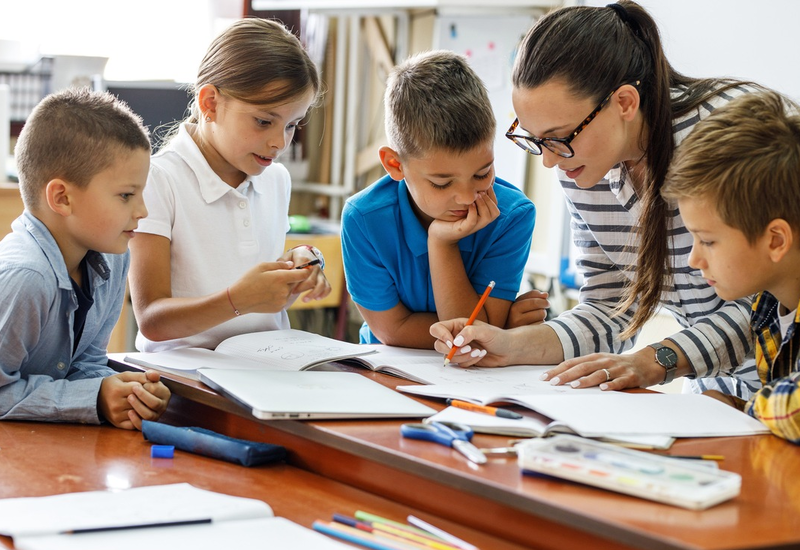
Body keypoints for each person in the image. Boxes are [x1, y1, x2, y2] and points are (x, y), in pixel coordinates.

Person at [430, 0, 762, 398]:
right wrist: (508, 346)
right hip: (722, 385)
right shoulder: (584, 166)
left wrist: (657, 360)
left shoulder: (725, 133)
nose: (551, 161)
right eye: (536, 140)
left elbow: (771, 303)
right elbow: (609, 309)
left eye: (560, 137)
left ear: (624, 102)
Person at [129, 18, 330, 352]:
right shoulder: (159, 179)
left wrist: (296, 266)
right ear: (211, 103)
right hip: (187, 378)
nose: (279, 143)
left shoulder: (276, 178)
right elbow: (152, 320)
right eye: (264, 121)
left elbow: (254, 283)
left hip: (268, 365)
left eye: (292, 125)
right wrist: (237, 299)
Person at [0, 88, 171, 429]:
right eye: (126, 195)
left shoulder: (114, 259)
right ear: (62, 198)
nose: (142, 211)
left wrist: (123, 393)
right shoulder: (25, 277)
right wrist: (89, 398)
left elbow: (86, 362)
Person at [341, 50, 536, 348]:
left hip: (476, 380)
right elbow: (392, 331)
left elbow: (475, 336)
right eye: (442, 183)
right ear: (395, 165)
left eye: (483, 174)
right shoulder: (364, 219)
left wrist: (442, 244)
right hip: (385, 371)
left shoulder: (512, 216)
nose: (468, 196)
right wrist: (499, 326)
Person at [661, 91, 800, 442]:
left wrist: (746, 409)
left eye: (707, 240)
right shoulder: (768, 306)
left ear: (775, 241)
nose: (694, 259)